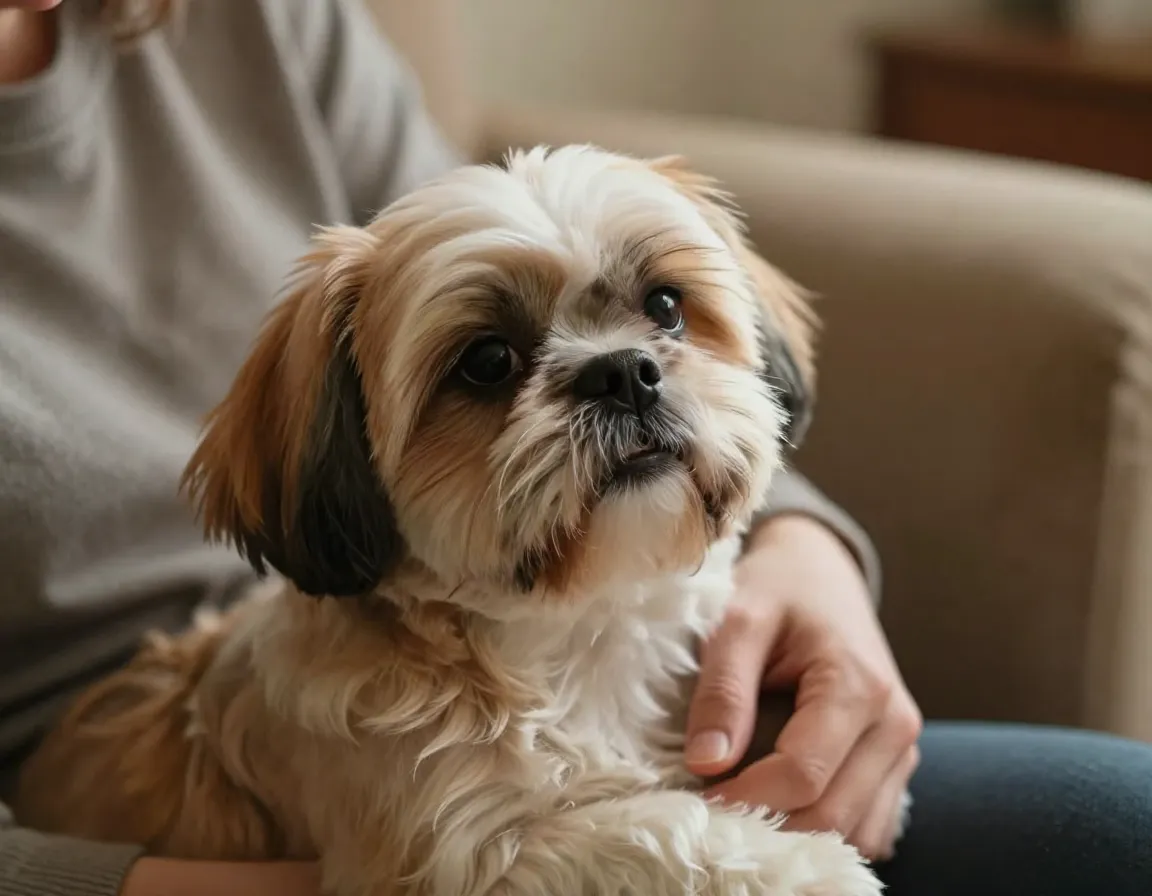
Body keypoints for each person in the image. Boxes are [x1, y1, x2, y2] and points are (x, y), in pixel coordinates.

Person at [0, 2, 1148, 895]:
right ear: (353, 456)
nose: (632, 369)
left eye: (661, 312)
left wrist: (806, 545)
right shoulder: (383, 733)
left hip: (614, 664)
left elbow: (477, 238)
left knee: (1119, 825)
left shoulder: (250, 20)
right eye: (489, 370)